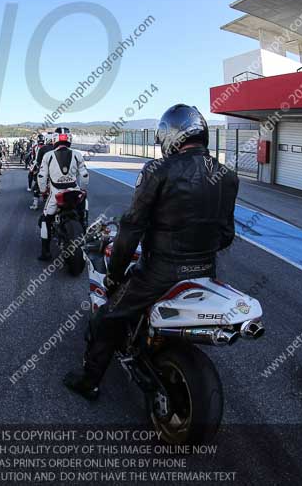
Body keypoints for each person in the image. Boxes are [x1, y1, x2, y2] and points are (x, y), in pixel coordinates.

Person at [63, 104, 239, 400]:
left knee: (107, 317)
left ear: (173, 135)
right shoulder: (228, 176)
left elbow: (132, 227)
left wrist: (114, 276)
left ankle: (89, 381)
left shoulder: (158, 170)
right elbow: (225, 235)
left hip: (160, 272)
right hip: (206, 272)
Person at [36, 129, 89, 261]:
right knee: (83, 213)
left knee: (45, 219)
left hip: (56, 193)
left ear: (54, 139)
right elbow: (84, 175)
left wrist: (43, 190)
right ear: (69, 139)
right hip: (75, 192)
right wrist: (82, 189)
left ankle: (45, 252)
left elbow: (42, 176)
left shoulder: (48, 155)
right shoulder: (77, 154)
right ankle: (84, 228)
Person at [30, 133, 55, 210]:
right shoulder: (57, 148)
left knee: (37, 187)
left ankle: (35, 205)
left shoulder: (42, 148)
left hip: (45, 171)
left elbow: (37, 161)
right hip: (56, 172)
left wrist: (35, 169)